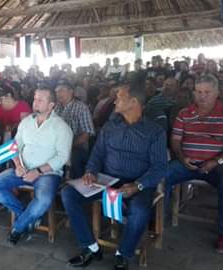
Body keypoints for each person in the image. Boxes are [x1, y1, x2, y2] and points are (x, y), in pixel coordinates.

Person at [62, 82, 167, 270]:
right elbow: (98, 154)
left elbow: (159, 167)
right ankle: (91, 247)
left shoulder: (154, 131)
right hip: (107, 178)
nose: (115, 101)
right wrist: (90, 172)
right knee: (68, 194)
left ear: (134, 102)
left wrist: (137, 186)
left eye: (120, 97)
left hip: (138, 182)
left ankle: (123, 254)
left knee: (140, 209)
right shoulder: (111, 126)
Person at [0, 87, 73, 245]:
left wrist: (38, 171)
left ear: (51, 105)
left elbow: (62, 157)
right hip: (24, 169)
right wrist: (18, 165)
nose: (36, 102)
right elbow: (14, 146)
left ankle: (19, 227)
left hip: (48, 173)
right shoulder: (26, 123)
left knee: (44, 199)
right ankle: (27, 216)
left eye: (41, 100)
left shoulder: (61, 127)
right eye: (35, 99)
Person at [165, 75, 223, 254]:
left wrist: (216, 161)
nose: (202, 96)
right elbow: (175, 140)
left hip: (217, 165)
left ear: (216, 93)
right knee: (161, 176)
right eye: (199, 92)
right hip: (187, 163)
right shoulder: (184, 113)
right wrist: (182, 157)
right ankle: (156, 221)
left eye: (207, 92)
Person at [55, 80, 95, 178]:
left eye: (61, 90)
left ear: (71, 92)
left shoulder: (81, 107)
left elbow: (87, 134)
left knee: (74, 156)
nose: (58, 94)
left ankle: (72, 183)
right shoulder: (56, 107)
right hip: (57, 145)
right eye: (56, 91)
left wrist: (68, 145)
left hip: (76, 147)